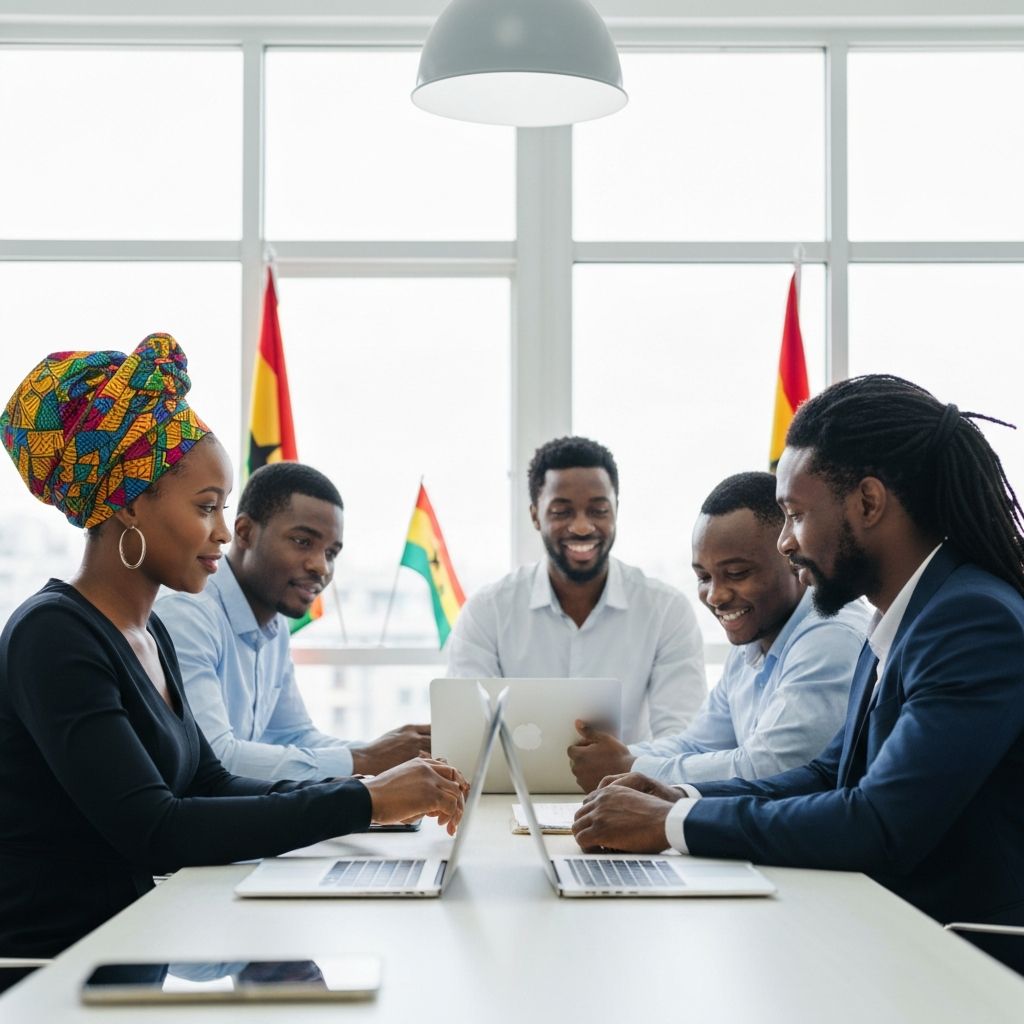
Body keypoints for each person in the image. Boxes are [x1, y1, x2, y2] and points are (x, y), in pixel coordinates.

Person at [0, 335, 467, 966]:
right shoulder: (53, 637)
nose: (224, 531)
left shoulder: (148, 633)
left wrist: (372, 793)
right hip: (54, 974)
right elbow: (158, 830)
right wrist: (366, 799)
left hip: (133, 952)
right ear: (130, 505)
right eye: (206, 507)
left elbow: (209, 781)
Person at [572, 374, 1024, 974]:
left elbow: (880, 822)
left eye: (793, 515)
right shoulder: (905, 615)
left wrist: (676, 823)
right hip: (894, 928)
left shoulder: (968, 619)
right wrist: (681, 795)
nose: (784, 542)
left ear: (867, 502)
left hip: (959, 956)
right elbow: (828, 773)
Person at [567, 471, 869, 792]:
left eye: (736, 573)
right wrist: (613, 758)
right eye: (704, 577)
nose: (715, 596)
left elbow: (770, 768)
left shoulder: (831, 636)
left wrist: (631, 767)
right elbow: (699, 745)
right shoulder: (751, 642)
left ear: (792, 558)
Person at [157, 462, 429, 781]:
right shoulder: (188, 614)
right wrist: (368, 758)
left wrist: (397, 754)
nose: (321, 567)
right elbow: (215, 759)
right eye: (303, 542)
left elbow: (295, 736)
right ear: (244, 533)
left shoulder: (274, 627)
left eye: (331, 553)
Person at [447, 436, 706, 743]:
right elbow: (470, 737)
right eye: (562, 512)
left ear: (616, 510)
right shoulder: (487, 611)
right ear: (535, 515)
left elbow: (683, 737)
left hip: (630, 787)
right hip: (513, 791)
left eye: (598, 510)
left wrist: (630, 766)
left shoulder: (665, 611)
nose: (582, 527)